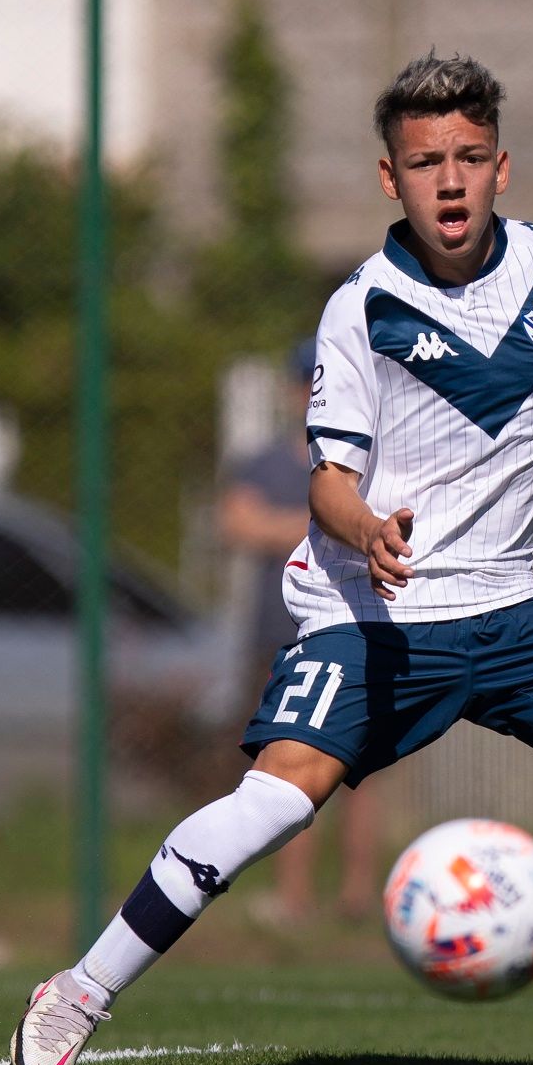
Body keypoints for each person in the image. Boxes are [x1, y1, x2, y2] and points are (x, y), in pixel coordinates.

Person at [11, 52, 533, 1065]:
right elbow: (327, 478)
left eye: (470, 156)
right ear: (391, 179)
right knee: (276, 804)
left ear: (502, 166)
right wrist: (367, 525)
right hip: (371, 616)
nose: (450, 180)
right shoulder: (363, 307)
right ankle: (77, 993)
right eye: (426, 162)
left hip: (505, 614)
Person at [218, 337, 381, 924]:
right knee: (287, 767)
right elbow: (238, 523)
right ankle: (294, 897)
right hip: (281, 632)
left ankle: (359, 894)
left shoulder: (371, 461)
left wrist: (314, 524)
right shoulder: (265, 462)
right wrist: (333, 522)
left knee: (366, 774)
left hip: (361, 631)